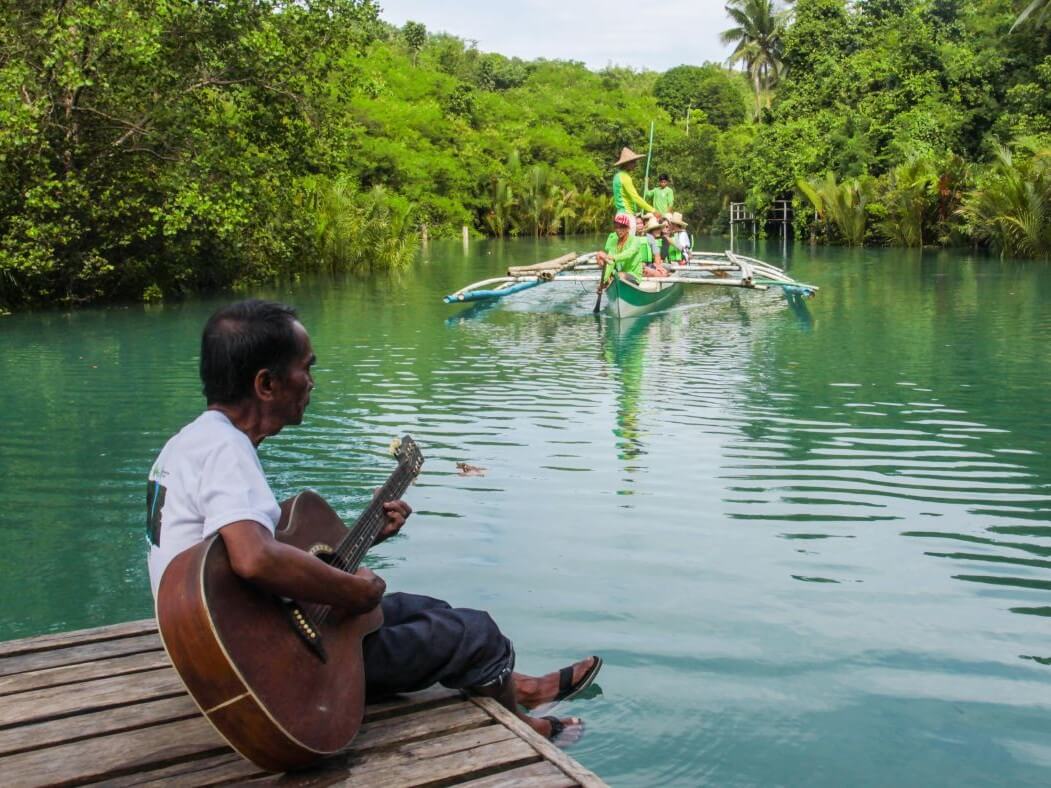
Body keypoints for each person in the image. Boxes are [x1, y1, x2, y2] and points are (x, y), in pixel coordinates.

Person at [146, 300, 602, 746]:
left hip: (236, 648)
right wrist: (353, 590)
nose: (312, 381)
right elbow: (253, 558)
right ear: (266, 384)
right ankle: (527, 728)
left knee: (431, 609)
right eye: (307, 367)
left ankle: (517, 688)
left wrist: (363, 541)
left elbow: (232, 562)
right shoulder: (228, 449)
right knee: (476, 632)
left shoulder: (188, 444)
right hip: (283, 667)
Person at [611, 147, 659, 231]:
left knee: (622, 244)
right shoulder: (625, 177)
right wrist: (653, 210)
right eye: (633, 162)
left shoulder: (616, 176)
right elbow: (635, 197)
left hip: (619, 215)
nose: (635, 164)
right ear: (627, 163)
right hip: (627, 216)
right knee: (629, 242)